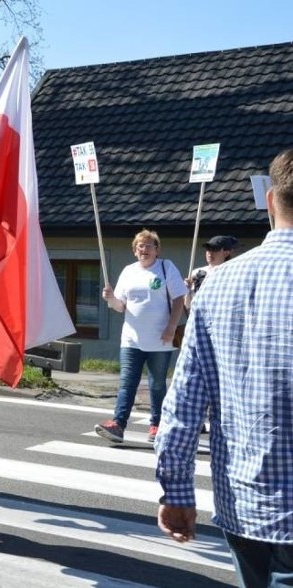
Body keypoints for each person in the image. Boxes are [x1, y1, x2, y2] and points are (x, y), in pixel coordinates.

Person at [155, 149, 293, 588]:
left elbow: (185, 401)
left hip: (247, 503)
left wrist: (176, 491)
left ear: (270, 201)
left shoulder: (219, 285)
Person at [94, 229, 187, 444]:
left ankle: (157, 424)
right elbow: (120, 306)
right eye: (139, 246)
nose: (143, 250)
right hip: (131, 339)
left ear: (157, 250)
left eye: (148, 246)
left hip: (160, 340)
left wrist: (172, 327)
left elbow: (179, 298)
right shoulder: (128, 271)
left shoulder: (166, 267)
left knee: (156, 384)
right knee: (127, 383)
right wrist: (110, 299)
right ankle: (118, 425)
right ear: (135, 251)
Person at [184, 235, 238, 310]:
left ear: (227, 253)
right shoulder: (196, 273)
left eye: (215, 249)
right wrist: (187, 290)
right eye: (208, 248)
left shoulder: (232, 273)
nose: (210, 252)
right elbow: (187, 306)